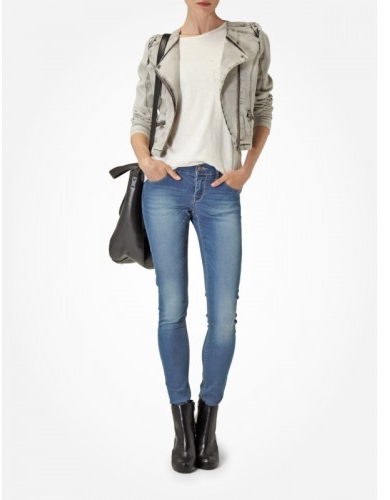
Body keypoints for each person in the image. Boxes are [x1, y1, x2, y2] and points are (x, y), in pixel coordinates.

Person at [129, 0, 273, 473]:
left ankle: (207, 424)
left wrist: (247, 169)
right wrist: (146, 160)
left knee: (224, 318)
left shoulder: (249, 39)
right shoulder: (159, 47)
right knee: (171, 310)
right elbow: (140, 121)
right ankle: (182, 428)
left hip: (220, 188)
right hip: (165, 188)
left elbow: (262, 106)